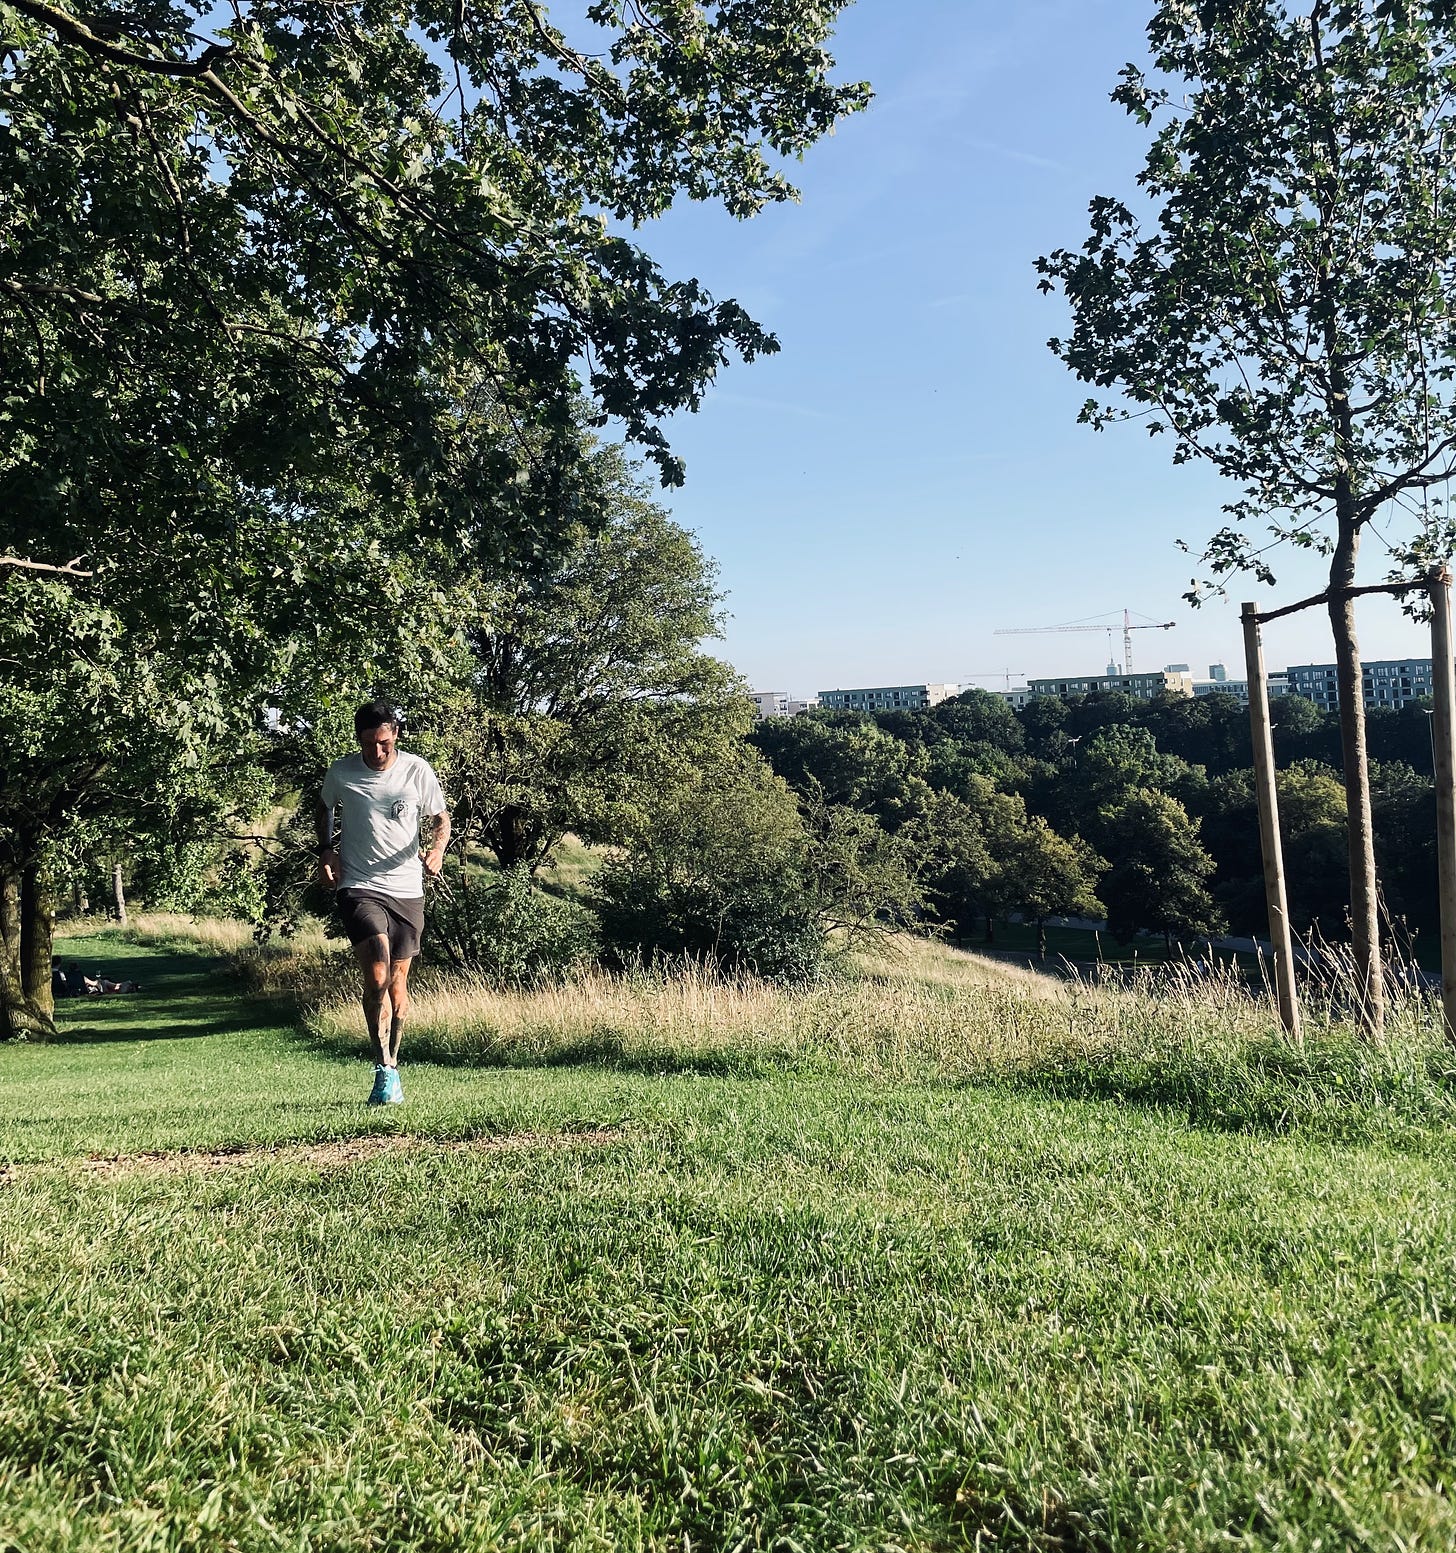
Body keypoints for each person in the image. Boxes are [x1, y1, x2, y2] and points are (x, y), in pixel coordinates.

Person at [317, 700, 450, 1105]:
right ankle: (381, 1066)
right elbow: (324, 808)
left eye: (384, 744)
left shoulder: (416, 770)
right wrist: (327, 850)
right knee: (376, 971)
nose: (377, 753)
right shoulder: (342, 772)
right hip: (358, 885)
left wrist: (438, 849)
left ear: (395, 735)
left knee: (398, 989)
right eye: (369, 744)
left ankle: (392, 1067)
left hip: (408, 890)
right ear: (358, 739)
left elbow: (440, 818)